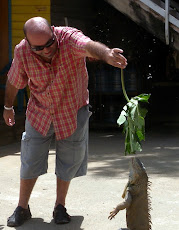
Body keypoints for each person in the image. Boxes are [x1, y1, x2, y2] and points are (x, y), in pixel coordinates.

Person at [3, 17, 127, 227]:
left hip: (72, 109)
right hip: (40, 111)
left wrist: (106, 54)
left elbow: (88, 46)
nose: (46, 50)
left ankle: (60, 206)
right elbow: (14, 80)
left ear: (53, 32)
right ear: (28, 43)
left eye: (49, 43)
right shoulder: (22, 51)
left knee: (68, 159)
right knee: (30, 158)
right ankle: (22, 207)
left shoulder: (68, 38)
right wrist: (8, 107)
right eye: (38, 48)